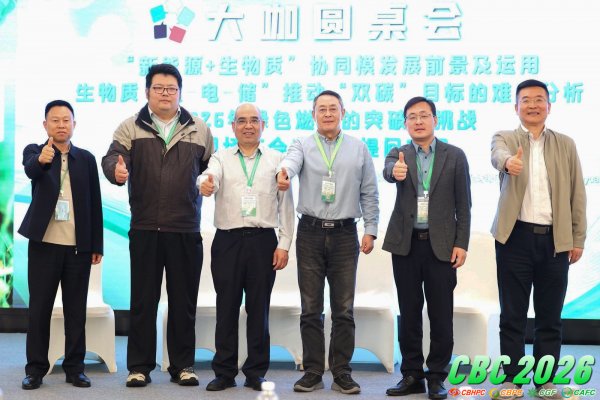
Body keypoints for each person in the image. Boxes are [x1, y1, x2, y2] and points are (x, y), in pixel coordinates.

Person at [102, 63, 214, 387]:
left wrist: (211, 181)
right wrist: (115, 172)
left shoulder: (199, 129)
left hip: (185, 228)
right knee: (143, 302)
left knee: (183, 302)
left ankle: (183, 365)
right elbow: (111, 159)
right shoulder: (130, 127)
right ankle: (139, 367)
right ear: (147, 91)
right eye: (159, 88)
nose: (165, 94)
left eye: (171, 89)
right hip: (146, 227)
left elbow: (213, 168)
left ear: (180, 92)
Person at [276, 90, 379, 395]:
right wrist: (284, 172)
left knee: (343, 309)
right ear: (313, 115)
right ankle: (312, 371)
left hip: (345, 234)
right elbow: (290, 163)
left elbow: (369, 191)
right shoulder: (302, 144)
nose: (328, 114)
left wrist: (370, 229)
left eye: (333, 108)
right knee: (310, 309)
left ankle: (342, 372)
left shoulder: (359, 148)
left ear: (343, 112)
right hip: (310, 232)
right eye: (322, 109)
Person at [490, 79, 586, 400]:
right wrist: (508, 162)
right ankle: (513, 380)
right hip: (514, 238)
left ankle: (544, 381)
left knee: (549, 317)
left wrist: (577, 237)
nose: (533, 105)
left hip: (554, 241)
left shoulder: (566, 144)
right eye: (526, 100)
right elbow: (498, 155)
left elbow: (577, 193)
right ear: (516, 106)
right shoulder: (505, 138)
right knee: (512, 315)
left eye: (539, 99)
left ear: (549, 106)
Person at [198, 103, 294, 392]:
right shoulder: (221, 157)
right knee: (226, 307)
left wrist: (284, 244)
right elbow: (209, 176)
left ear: (263, 125)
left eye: (254, 120)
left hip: (263, 241)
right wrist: (205, 183)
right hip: (227, 241)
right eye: (242, 121)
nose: (248, 126)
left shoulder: (277, 160)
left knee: (258, 309)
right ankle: (224, 372)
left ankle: (255, 372)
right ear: (233, 127)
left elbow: (286, 206)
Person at [382, 97, 471, 400]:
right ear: (405, 123)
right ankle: (411, 374)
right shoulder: (399, 153)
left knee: (441, 314)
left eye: (424, 115)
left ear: (435, 119)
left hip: (442, 246)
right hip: (406, 245)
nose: (418, 121)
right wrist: (395, 171)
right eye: (412, 117)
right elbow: (388, 170)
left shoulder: (454, 155)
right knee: (408, 313)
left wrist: (461, 243)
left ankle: (436, 376)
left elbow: (464, 205)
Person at [18, 100, 103, 390]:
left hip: (78, 248)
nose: (61, 125)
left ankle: (75, 368)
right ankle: (35, 370)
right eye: (55, 120)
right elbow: (32, 170)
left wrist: (96, 244)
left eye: (66, 120)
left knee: (75, 311)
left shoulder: (86, 159)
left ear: (74, 124)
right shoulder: (35, 152)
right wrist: (43, 159)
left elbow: (95, 203)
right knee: (39, 310)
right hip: (44, 246)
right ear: (45, 125)